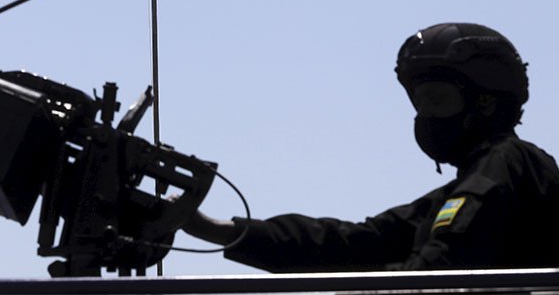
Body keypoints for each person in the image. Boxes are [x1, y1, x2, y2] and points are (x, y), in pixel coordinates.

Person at [182, 22, 559, 271]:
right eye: (420, 104)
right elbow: (357, 242)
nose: (425, 118)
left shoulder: (508, 164)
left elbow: (443, 265)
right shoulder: (454, 195)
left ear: (485, 104)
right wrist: (212, 227)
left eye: (438, 102)